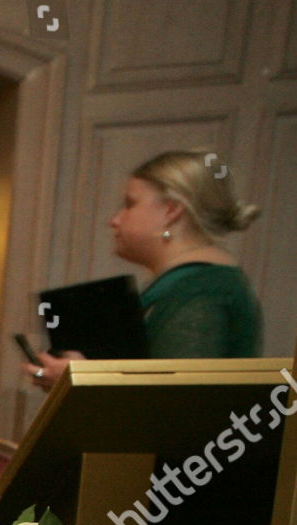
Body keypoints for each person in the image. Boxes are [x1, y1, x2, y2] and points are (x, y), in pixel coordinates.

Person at [27, 151, 261, 389]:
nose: (115, 220)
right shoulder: (192, 283)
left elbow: (178, 404)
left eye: (130, 204)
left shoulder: (200, 289)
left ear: (171, 211)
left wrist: (81, 380)